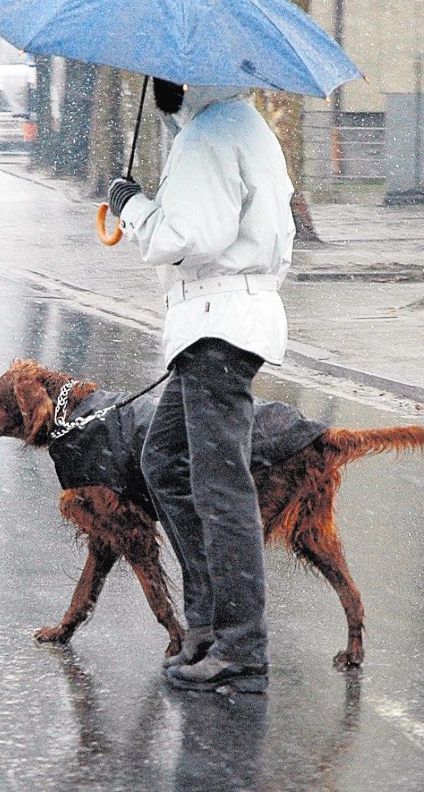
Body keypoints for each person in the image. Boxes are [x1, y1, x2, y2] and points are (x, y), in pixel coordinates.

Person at [107, 78, 295, 694]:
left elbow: (186, 238)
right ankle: (211, 624)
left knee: (221, 486)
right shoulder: (241, 125)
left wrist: (130, 204)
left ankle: (241, 648)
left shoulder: (207, 137)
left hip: (219, 323)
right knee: (164, 460)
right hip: (224, 321)